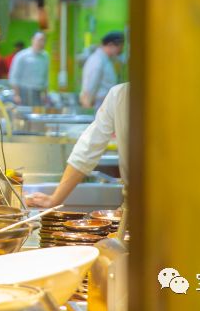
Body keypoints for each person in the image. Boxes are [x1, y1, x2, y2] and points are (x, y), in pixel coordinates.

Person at [26, 82, 129, 210]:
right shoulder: (120, 94)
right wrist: (54, 199)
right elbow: (87, 149)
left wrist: (55, 199)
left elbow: (87, 149)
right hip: (135, 209)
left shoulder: (121, 93)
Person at [79, 31, 125, 109]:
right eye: (119, 48)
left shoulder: (106, 60)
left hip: (104, 104)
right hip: (98, 105)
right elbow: (90, 87)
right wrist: (87, 105)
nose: (120, 52)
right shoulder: (97, 60)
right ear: (110, 45)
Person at [9, 32, 49, 106]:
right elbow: (14, 76)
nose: (42, 43)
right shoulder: (22, 56)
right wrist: (16, 95)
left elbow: (45, 77)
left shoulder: (45, 56)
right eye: (39, 40)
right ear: (32, 40)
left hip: (39, 92)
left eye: (44, 40)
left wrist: (45, 93)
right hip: (24, 91)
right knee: (24, 112)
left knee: (38, 112)